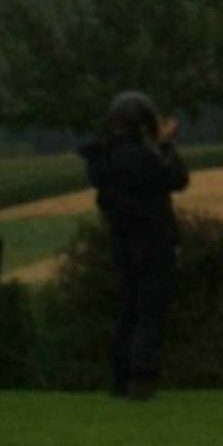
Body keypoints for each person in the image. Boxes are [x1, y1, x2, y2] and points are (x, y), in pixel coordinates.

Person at [83, 88, 190, 399]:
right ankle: (142, 378)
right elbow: (178, 178)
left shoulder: (102, 159)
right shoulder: (144, 157)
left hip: (121, 240)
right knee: (151, 310)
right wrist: (166, 144)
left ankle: (120, 377)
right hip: (153, 241)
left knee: (127, 309)